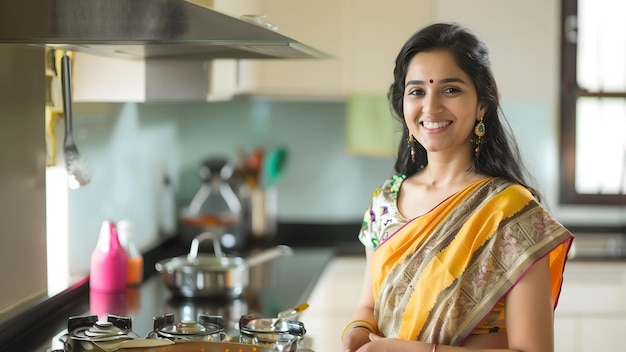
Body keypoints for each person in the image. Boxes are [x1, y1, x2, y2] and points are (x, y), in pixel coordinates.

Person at [341, 23, 574, 352]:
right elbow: (369, 305)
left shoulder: (512, 212)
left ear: (482, 104)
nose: (431, 107)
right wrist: (358, 328)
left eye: (450, 90)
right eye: (417, 91)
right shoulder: (386, 201)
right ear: (402, 103)